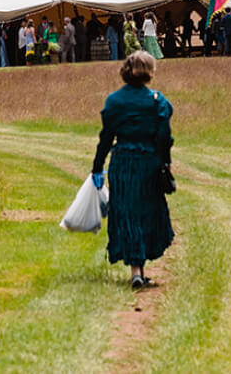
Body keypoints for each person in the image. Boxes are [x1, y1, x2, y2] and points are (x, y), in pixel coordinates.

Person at [91, 51, 175, 289]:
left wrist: (97, 168)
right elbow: (164, 136)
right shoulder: (158, 101)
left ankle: (135, 269)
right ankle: (140, 267)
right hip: (149, 163)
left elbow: (106, 138)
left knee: (127, 212)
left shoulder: (114, 101)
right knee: (148, 211)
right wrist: (165, 163)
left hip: (123, 164)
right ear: (150, 72)